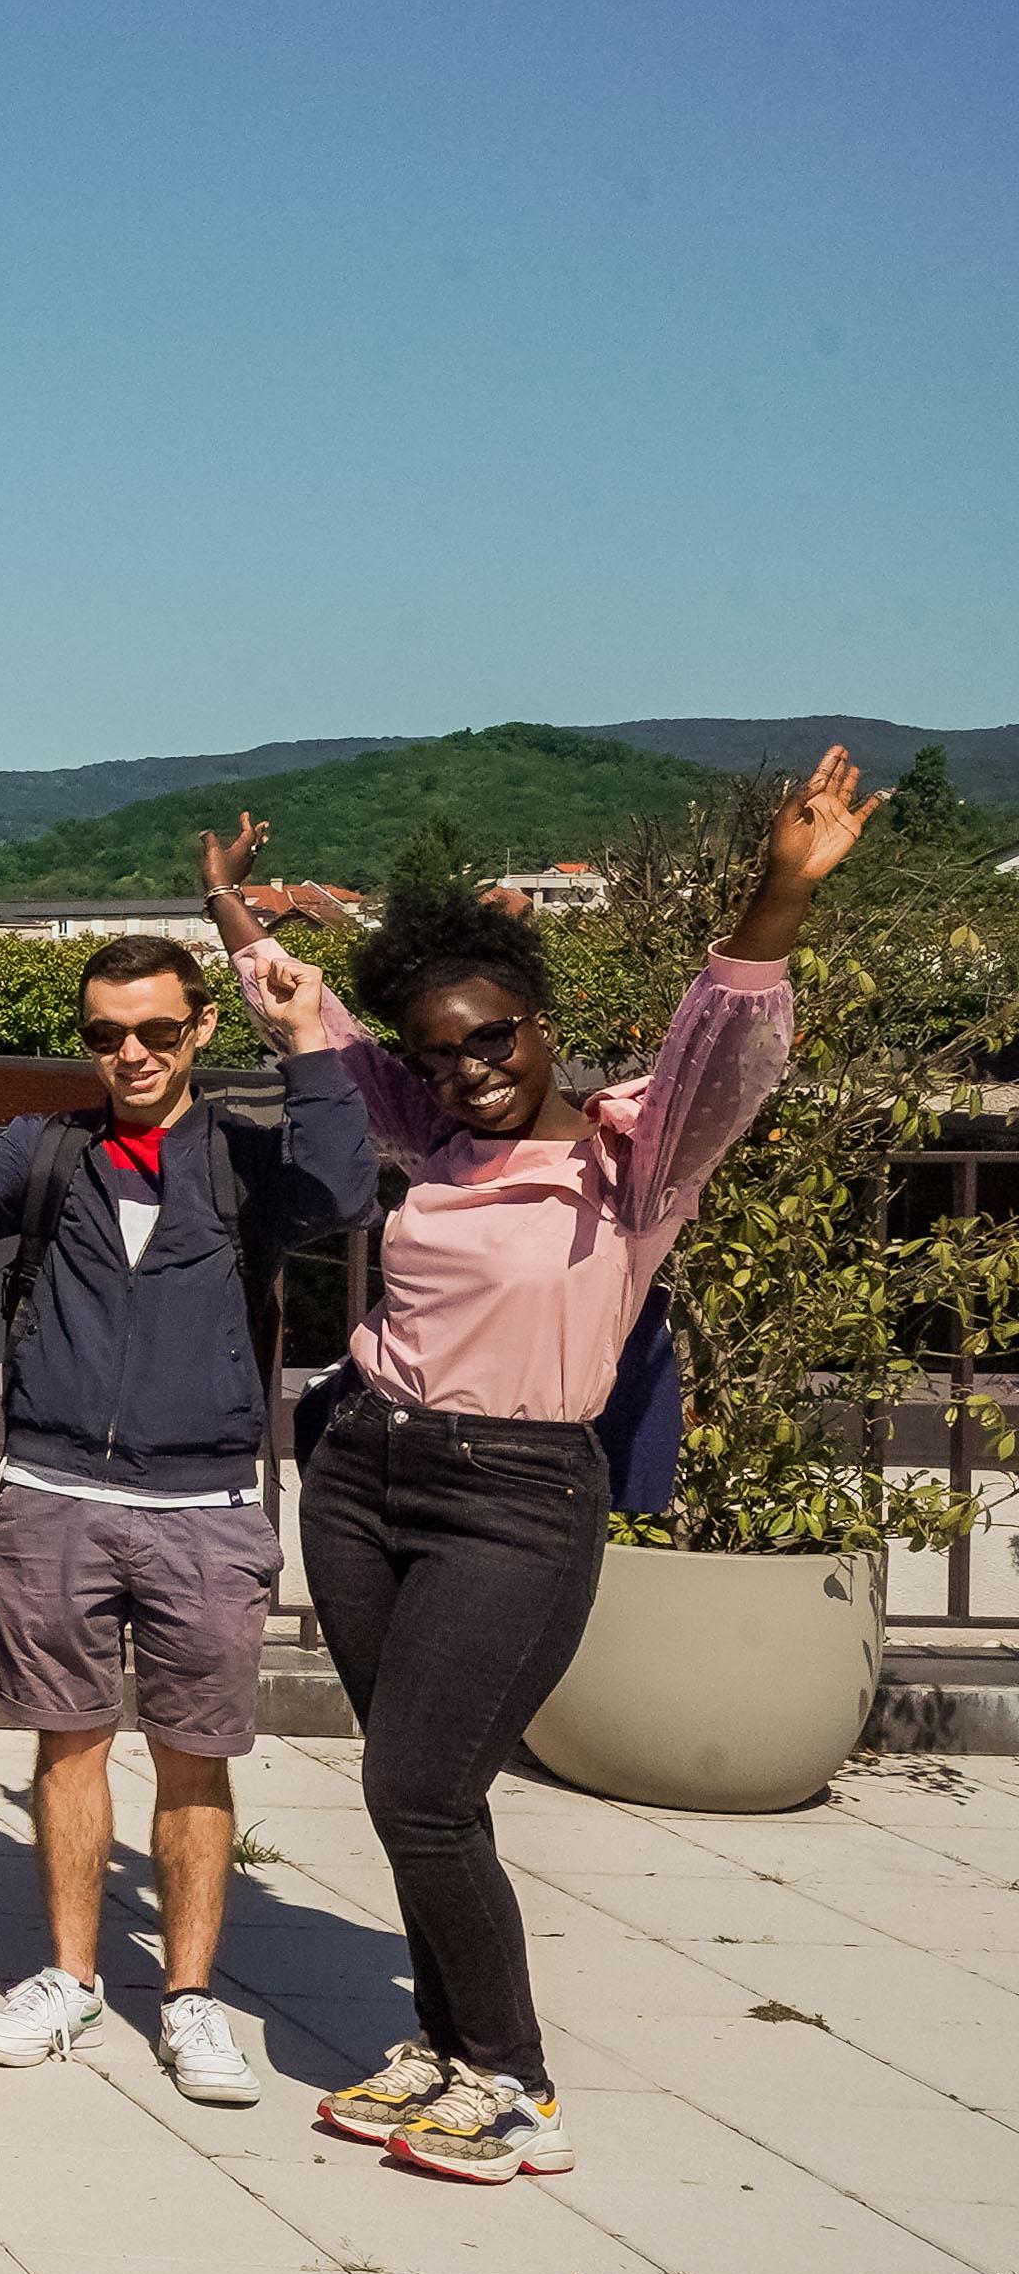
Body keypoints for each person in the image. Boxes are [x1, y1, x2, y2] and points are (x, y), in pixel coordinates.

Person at [224, 755, 862, 2188]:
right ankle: (448, 2046)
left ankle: (514, 2078)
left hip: (515, 1494)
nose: (469, 1065)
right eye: (442, 1047)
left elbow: (724, 1044)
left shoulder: (636, 1160)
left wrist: (780, 889)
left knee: (421, 1789)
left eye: (493, 1036)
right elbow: (312, 1017)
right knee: (417, 1781)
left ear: (542, 1024)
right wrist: (228, 908)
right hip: (364, 1469)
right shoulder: (433, 1133)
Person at [0, 935, 369, 2108]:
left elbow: (346, 1187)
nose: (132, 1053)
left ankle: (192, 1997)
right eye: (106, 1034)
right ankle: (69, 1976)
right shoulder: (50, 1147)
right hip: (57, 1487)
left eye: (157, 1031)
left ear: (201, 1028)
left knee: (195, 1754)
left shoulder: (244, 1160)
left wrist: (308, 1035)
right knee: (67, 1742)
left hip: (204, 1501)